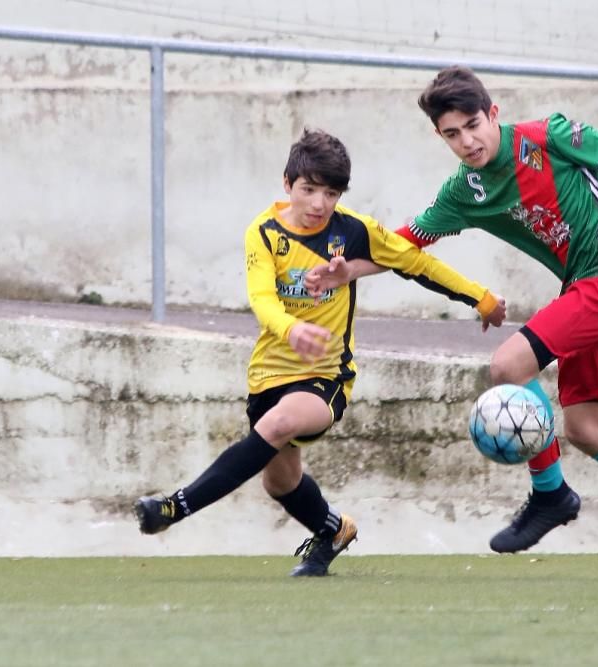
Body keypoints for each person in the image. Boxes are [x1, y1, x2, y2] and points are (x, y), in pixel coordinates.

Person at [304, 66, 598, 578]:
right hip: (583, 287)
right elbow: (405, 242)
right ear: (439, 136)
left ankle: (550, 494)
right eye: (452, 134)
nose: (467, 141)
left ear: (494, 115)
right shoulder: (465, 190)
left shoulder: (548, 137)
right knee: (587, 428)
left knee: (509, 365)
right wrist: (346, 270)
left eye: (473, 125)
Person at [134, 128, 507, 577]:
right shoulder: (264, 232)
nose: (318, 204)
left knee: (280, 423)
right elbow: (261, 298)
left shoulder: (352, 230)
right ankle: (332, 529)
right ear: (287, 183)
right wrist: (290, 330)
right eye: (309, 190)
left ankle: (175, 508)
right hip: (268, 376)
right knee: (280, 480)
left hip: (326, 377)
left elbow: (415, 262)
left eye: (330, 193)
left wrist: (479, 297)